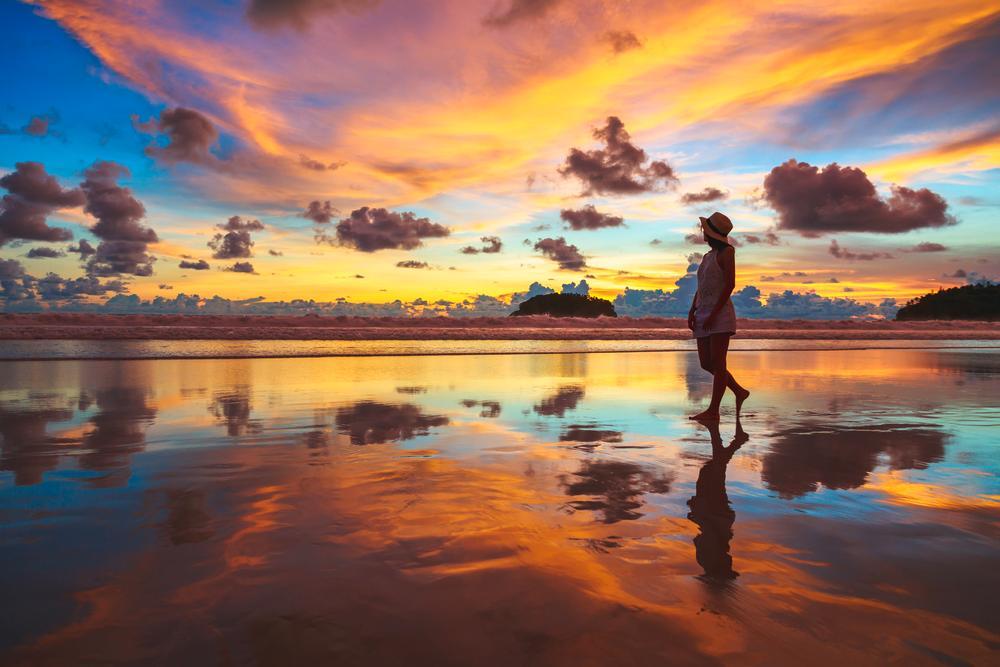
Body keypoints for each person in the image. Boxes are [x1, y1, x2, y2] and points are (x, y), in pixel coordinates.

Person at [687, 211, 749, 421]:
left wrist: (714, 313)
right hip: (703, 311)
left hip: (720, 313)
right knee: (707, 363)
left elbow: (729, 284)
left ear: (711, 233)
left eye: (705, 229)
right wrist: (692, 309)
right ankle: (739, 392)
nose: (702, 232)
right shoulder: (707, 256)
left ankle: (714, 411)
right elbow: (702, 286)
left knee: (718, 362)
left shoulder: (727, 252)